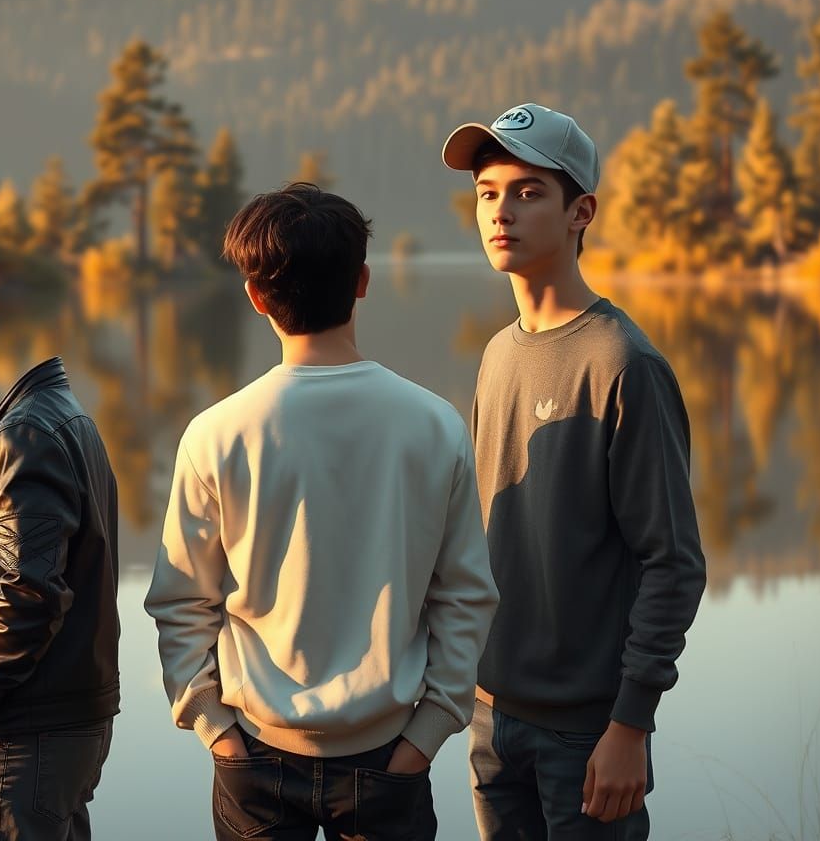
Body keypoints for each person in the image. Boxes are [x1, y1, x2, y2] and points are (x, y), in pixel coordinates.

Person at [145, 182, 498, 841]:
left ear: (255, 298)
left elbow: (179, 603)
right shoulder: (434, 425)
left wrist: (215, 731)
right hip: (390, 756)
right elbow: (468, 598)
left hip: (252, 756)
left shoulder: (216, 434)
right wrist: (424, 737)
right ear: (363, 281)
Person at [441, 103, 706, 839]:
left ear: (580, 210)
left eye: (528, 193)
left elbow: (673, 562)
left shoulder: (624, 364)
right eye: (488, 192)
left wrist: (630, 724)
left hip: (587, 735)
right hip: (492, 719)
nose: (501, 212)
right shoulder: (498, 353)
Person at [0, 356, 120, 841]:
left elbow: (31, 589)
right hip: (66, 719)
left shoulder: (27, 434)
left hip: (28, 734)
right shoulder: (65, 413)